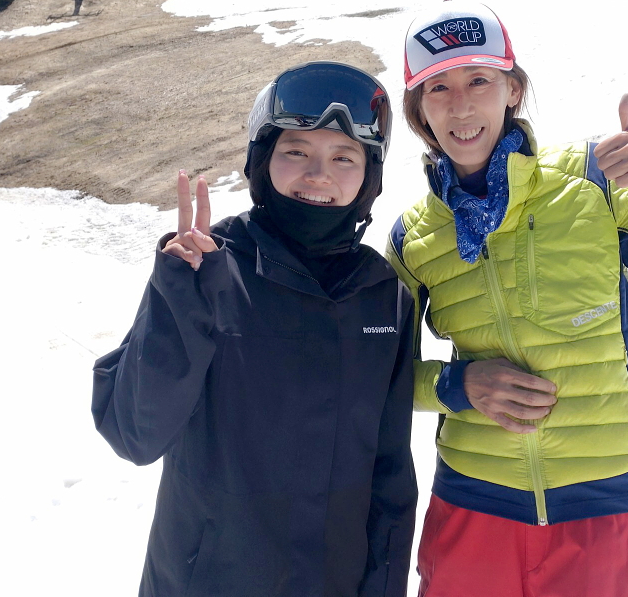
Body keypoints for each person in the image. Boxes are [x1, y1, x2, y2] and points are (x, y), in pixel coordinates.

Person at [387, 2, 628, 597]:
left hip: (606, 505)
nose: (461, 105)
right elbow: (374, 375)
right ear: (419, 111)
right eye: (437, 88)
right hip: (474, 506)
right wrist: (456, 386)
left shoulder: (591, 182)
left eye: (479, 80)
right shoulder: (414, 238)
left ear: (513, 91)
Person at [92, 62, 417, 597]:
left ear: (369, 177)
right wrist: (181, 299)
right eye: (296, 151)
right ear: (262, 162)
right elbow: (133, 433)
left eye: (344, 157)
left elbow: (390, 479)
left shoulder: (383, 297)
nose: (319, 174)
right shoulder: (208, 267)